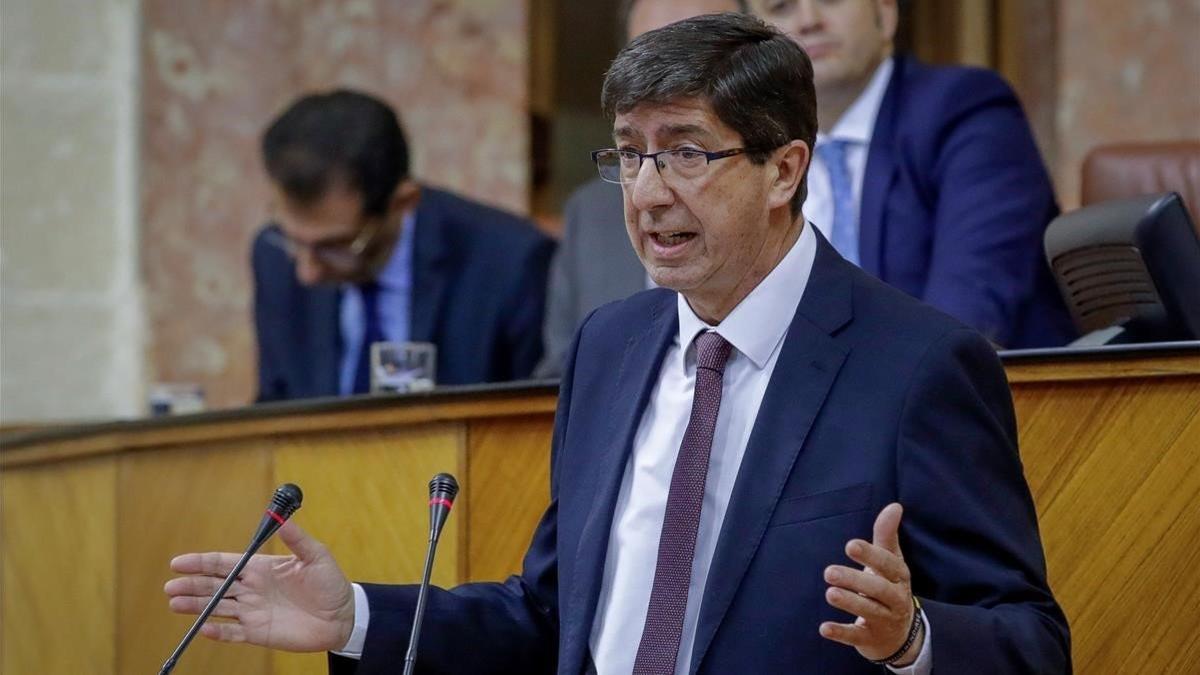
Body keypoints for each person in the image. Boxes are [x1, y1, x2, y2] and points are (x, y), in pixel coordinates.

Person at [166, 14, 1070, 674]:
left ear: (784, 169)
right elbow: (549, 616)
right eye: (628, 154)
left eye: (685, 153)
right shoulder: (611, 344)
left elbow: (1032, 640)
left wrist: (913, 638)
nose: (644, 193)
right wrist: (355, 616)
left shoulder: (917, 364)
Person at [749, 0, 1074, 349]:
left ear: (885, 13)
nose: (808, 21)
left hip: (988, 395)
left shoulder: (964, 110)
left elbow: (964, 323)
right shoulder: (750, 150)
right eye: (781, 7)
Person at [252, 89, 555, 401]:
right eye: (294, 241)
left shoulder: (510, 261)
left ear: (403, 202)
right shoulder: (272, 256)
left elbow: (530, 429)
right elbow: (275, 405)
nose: (308, 273)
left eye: (336, 246)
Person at [535, 0, 747, 378]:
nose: (648, 194)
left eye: (695, 59)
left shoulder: (789, 192)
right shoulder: (591, 213)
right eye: (650, 58)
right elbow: (558, 385)